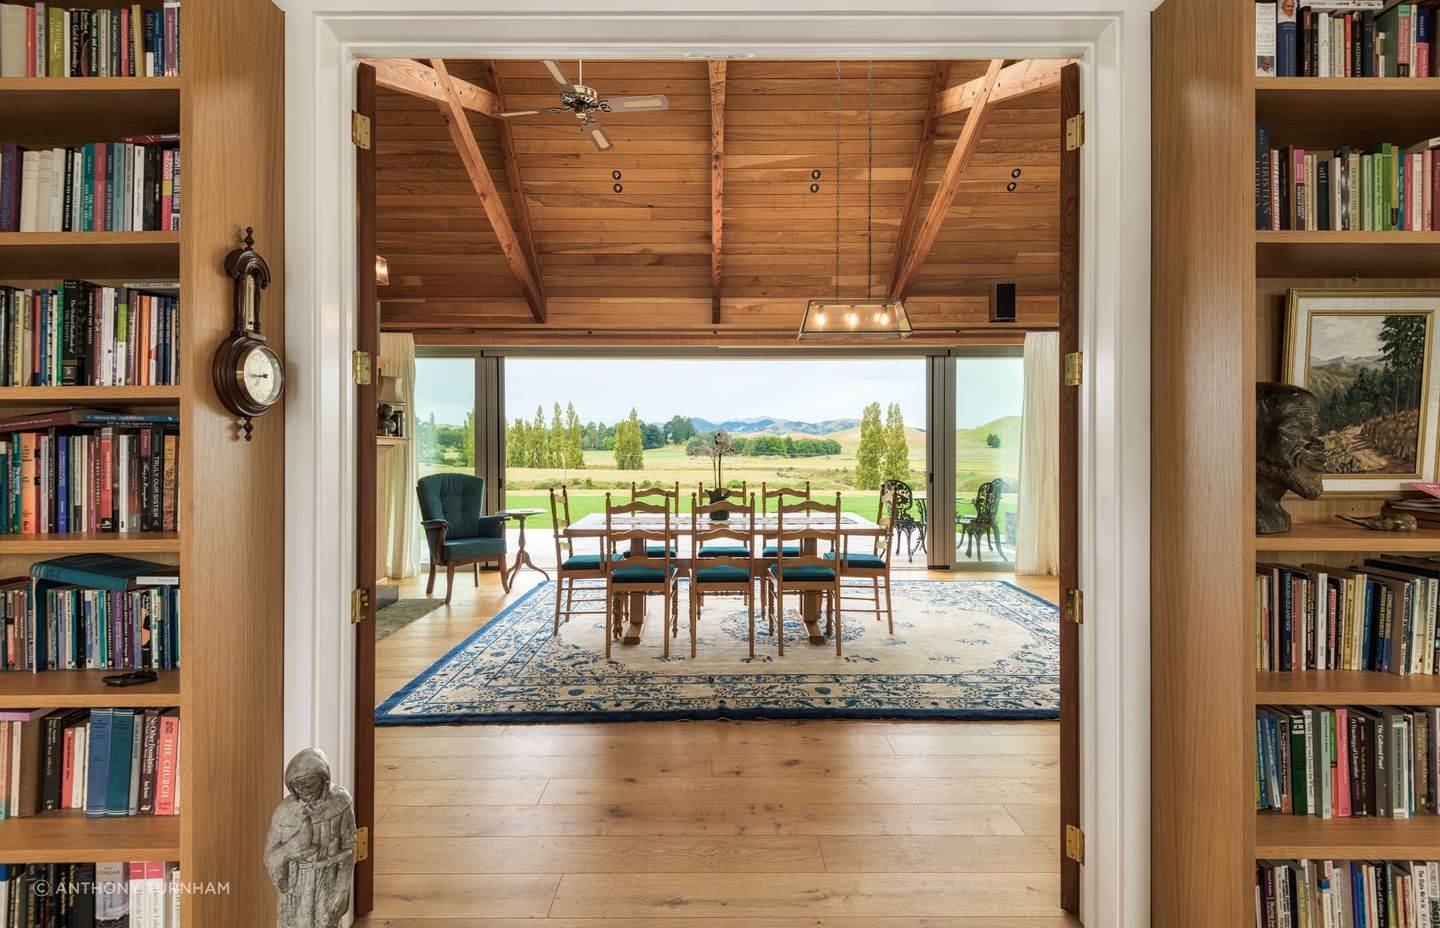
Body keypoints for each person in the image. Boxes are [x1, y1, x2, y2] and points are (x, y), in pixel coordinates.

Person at [264, 748, 356, 928]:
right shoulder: (284, 813)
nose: (306, 790)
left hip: (327, 882)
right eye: (300, 785)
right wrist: (288, 850)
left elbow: (350, 842)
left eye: (311, 783)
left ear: (324, 779)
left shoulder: (340, 802)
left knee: (327, 922)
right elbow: (269, 856)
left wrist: (342, 887)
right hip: (295, 887)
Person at [1255, 382, 1324, 533]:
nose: (1317, 444)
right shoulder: (1242, 515)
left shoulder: (1275, 516)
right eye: (1294, 429)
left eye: (1315, 430)